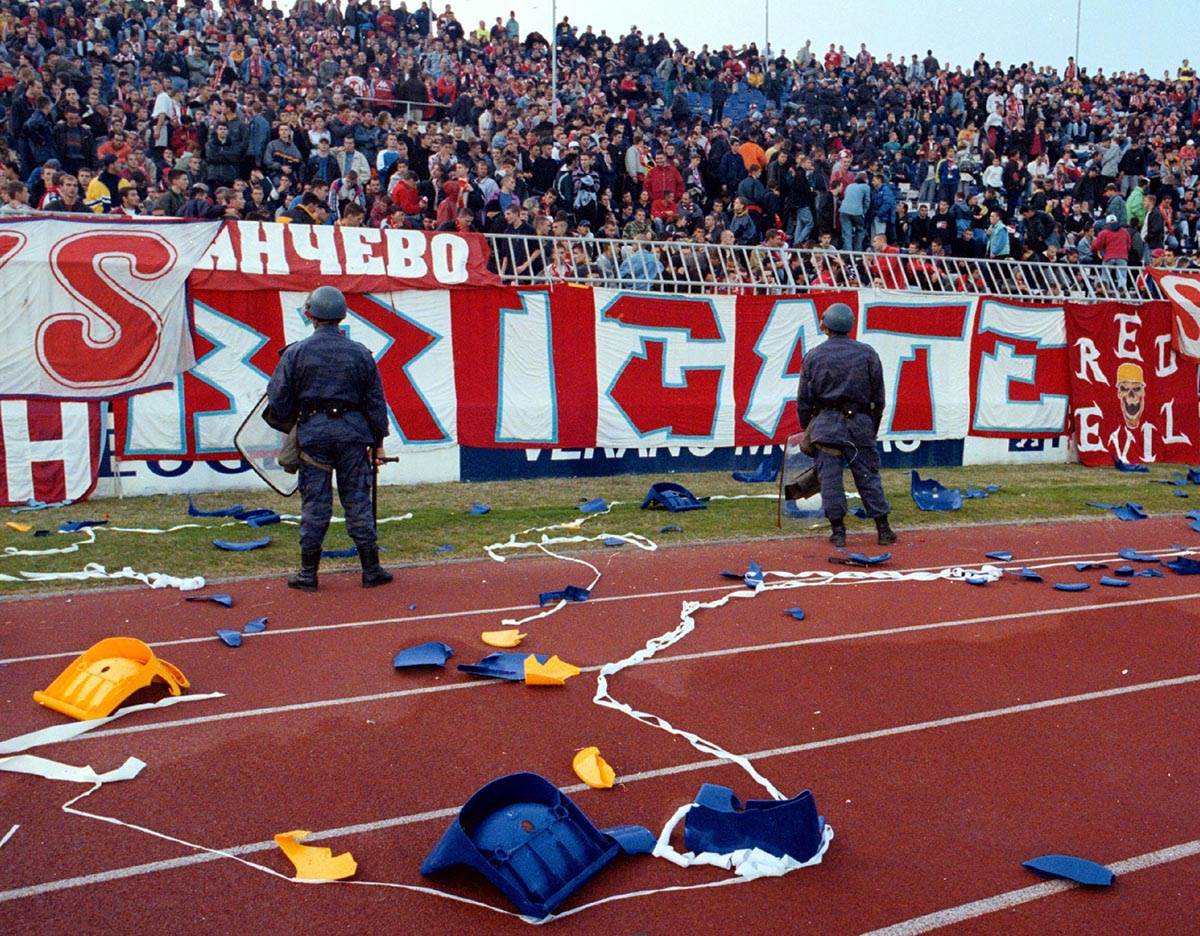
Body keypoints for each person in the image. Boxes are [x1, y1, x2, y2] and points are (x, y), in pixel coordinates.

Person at [266, 286, 393, 591]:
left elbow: (278, 401)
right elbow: (375, 403)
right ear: (343, 315)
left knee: (316, 505)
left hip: (314, 437)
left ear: (310, 314)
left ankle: (308, 575)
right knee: (358, 501)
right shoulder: (361, 353)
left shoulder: (295, 353)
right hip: (353, 436)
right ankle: (371, 570)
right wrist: (378, 443)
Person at [795, 303, 896, 547]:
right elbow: (878, 398)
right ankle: (883, 529)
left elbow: (804, 401)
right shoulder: (868, 353)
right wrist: (869, 427)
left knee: (829, 480)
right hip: (859, 425)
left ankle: (838, 531)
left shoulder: (814, 356)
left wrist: (809, 426)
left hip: (826, 426)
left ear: (825, 325)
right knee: (868, 477)